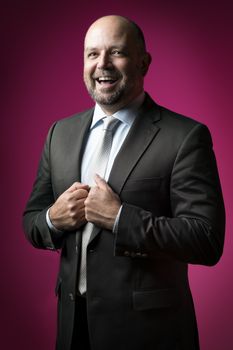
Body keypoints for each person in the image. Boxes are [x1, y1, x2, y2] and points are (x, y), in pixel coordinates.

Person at [23, 15, 225, 350]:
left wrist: (120, 218)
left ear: (143, 63)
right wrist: (51, 219)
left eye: (116, 52)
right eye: (92, 54)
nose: (102, 64)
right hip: (73, 330)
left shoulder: (186, 137)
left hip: (149, 334)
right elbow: (31, 219)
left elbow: (206, 239)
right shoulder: (59, 134)